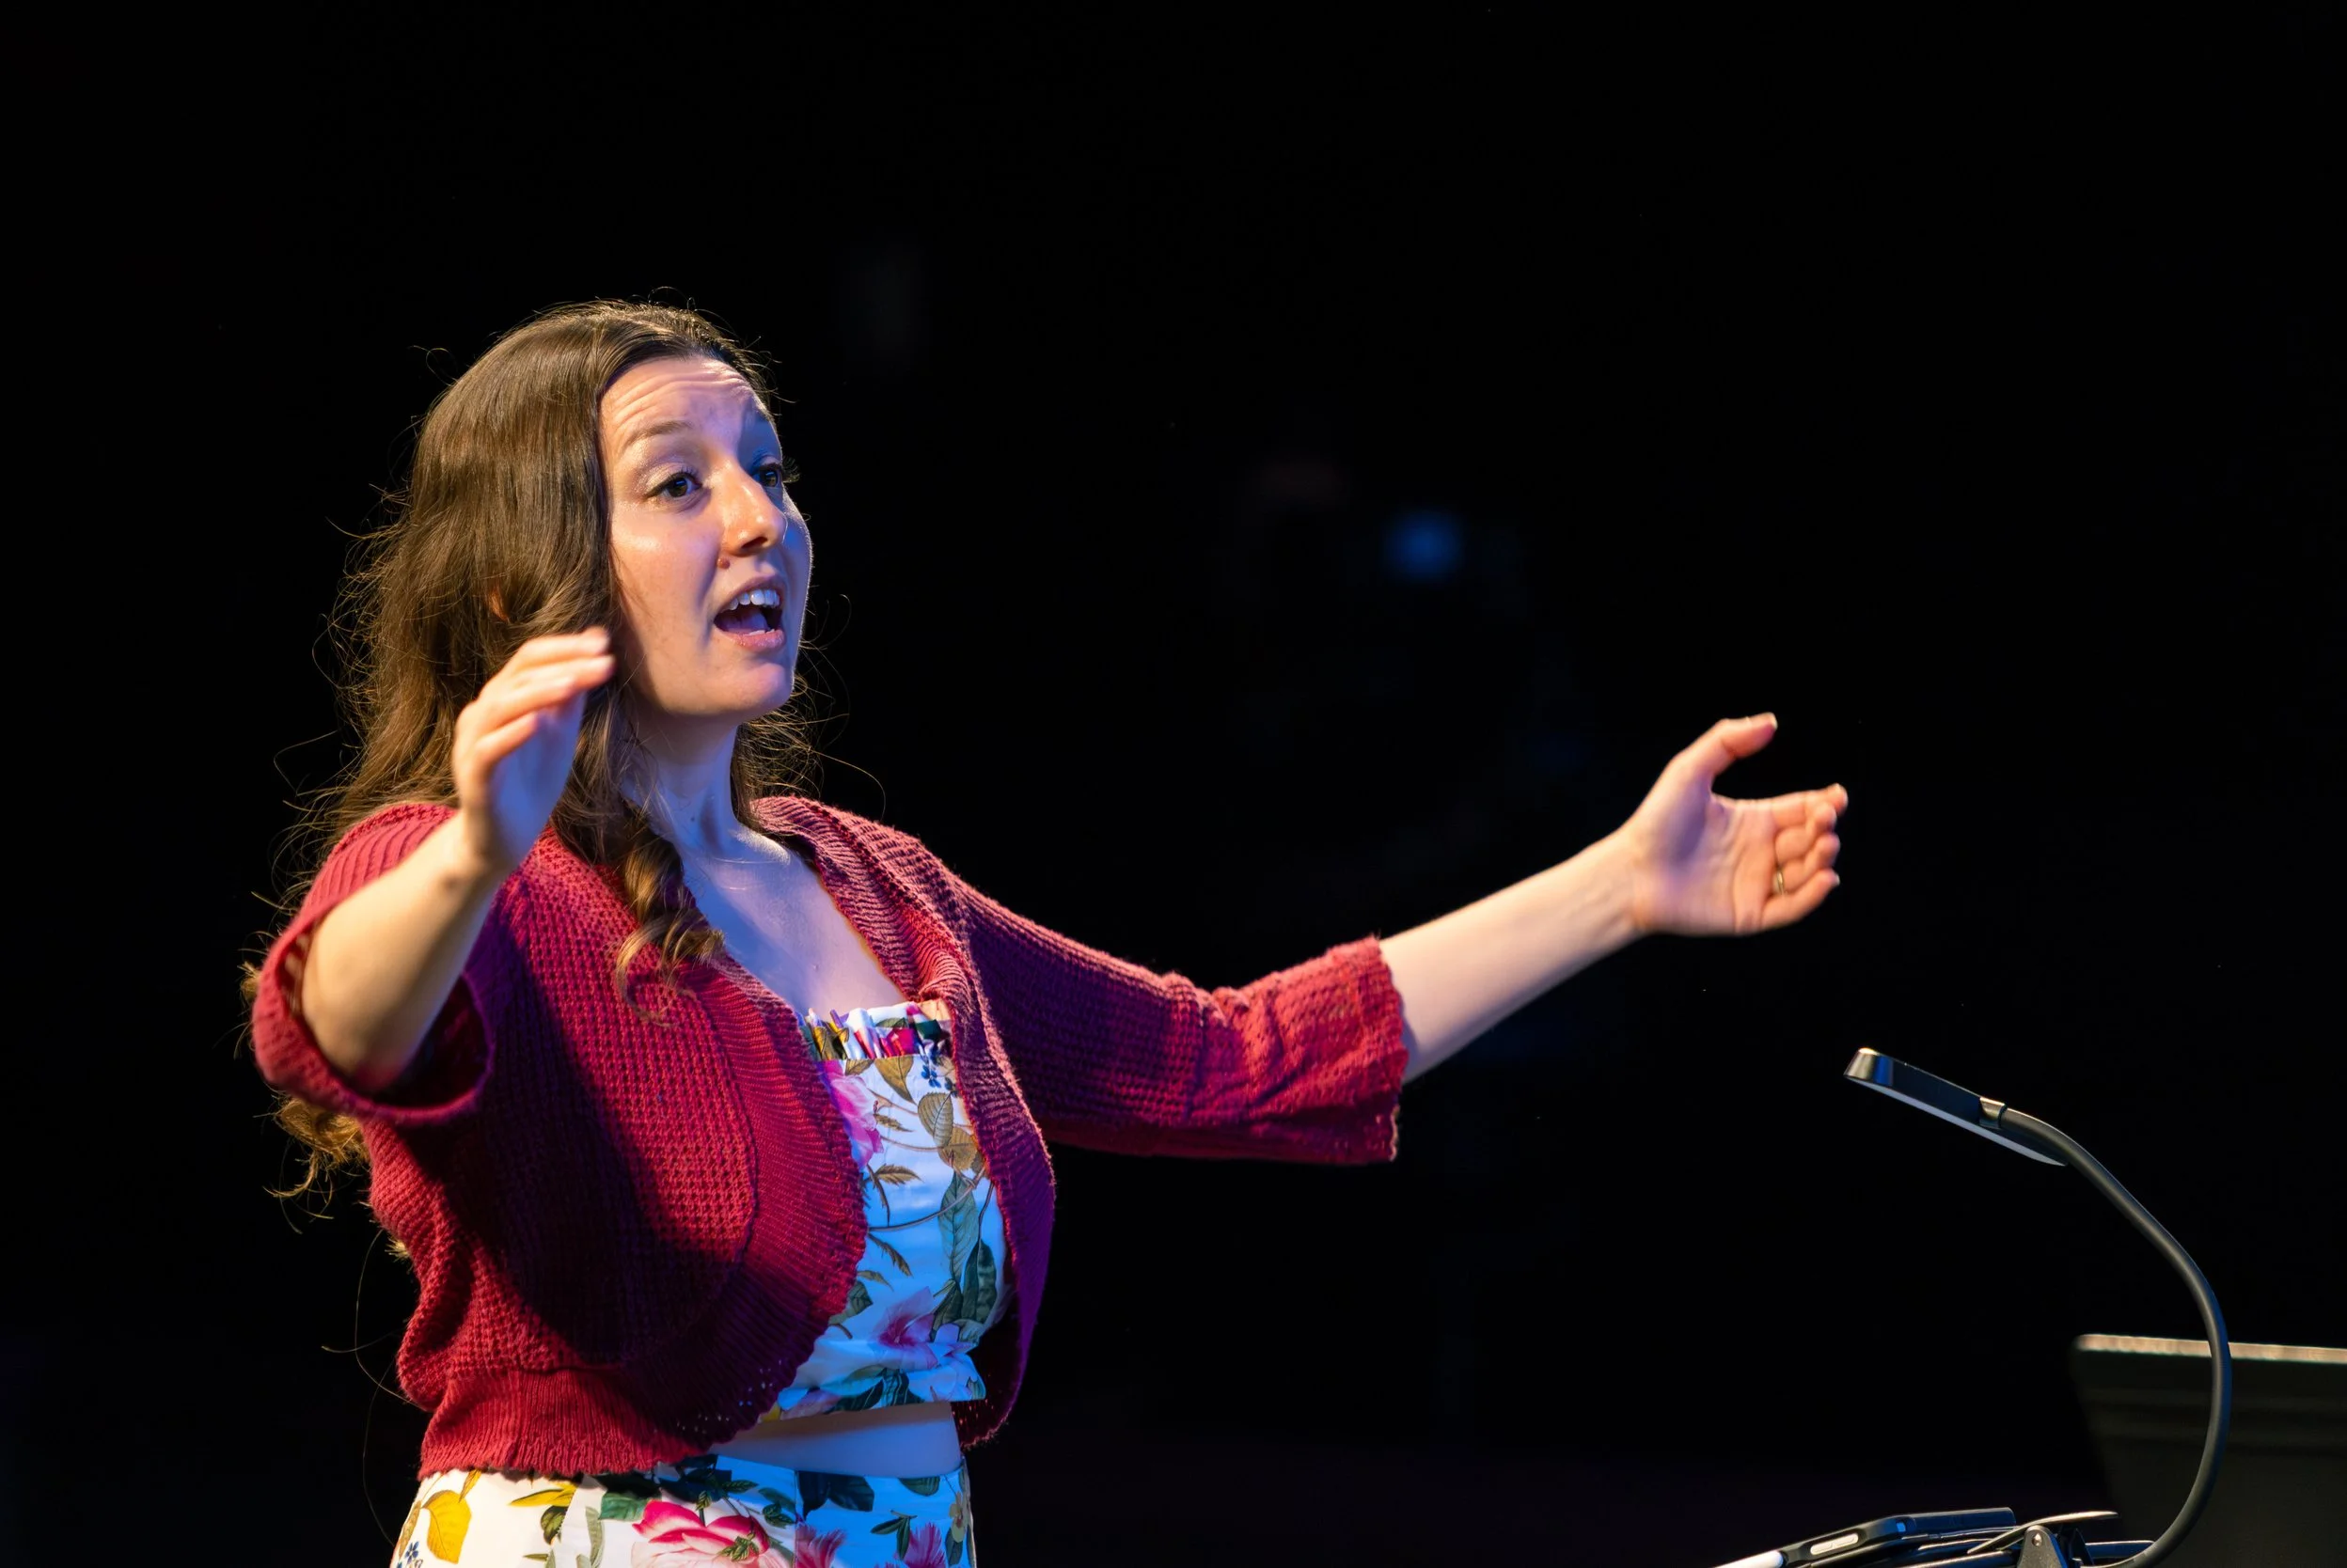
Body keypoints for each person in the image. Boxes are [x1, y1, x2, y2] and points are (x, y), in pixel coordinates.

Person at [248, 300, 1846, 1568]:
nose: (762, 521)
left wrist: (1622, 887)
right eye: (681, 483)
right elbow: (336, 1030)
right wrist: (475, 850)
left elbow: (1230, 1060)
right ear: (540, 557)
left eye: (772, 469)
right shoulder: (471, 879)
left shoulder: (878, 888)